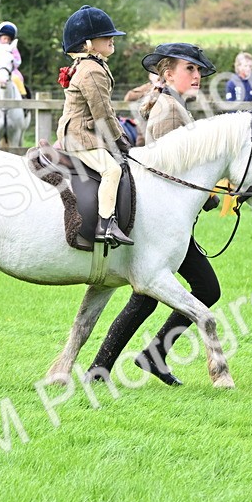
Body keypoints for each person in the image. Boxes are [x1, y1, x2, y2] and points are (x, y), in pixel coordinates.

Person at [85, 43, 220, 385]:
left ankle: (127, 364)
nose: (197, 75)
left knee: (155, 295)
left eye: (198, 70)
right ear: (168, 73)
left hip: (165, 218)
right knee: (198, 288)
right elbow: (168, 170)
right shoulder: (169, 110)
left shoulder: (171, 103)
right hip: (159, 220)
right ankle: (124, 364)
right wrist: (208, 199)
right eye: (190, 69)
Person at [55, 5, 132, 246]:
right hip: (81, 137)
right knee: (113, 170)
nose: (112, 40)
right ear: (88, 43)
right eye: (106, 37)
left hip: (80, 132)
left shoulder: (90, 66)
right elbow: (102, 114)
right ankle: (106, 224)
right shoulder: (91, 70)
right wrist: (119, 138)